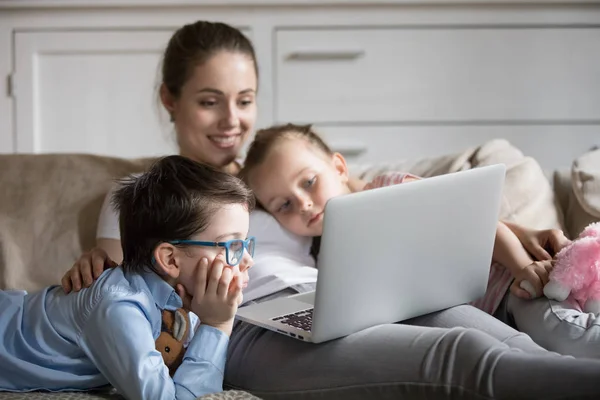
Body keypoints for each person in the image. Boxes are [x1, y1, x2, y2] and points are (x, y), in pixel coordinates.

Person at [60, 20, 600, 400]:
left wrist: (505, 228)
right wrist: (95, 267)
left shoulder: (270, 177)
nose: (231, 120)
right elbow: (120, 284)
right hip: (248, 328)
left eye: (244, 99)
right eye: (209, 100)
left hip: (343, 300)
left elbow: (375, 199)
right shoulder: (142, 196)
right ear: (171, 101)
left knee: (495, 334)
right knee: (460, 357)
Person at [0, 155, 255, 399]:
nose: (247, 260)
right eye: (231, 246)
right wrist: (217, 325)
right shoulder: (118, 306)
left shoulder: (180, 294)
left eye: (244, 244)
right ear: (170, 260)